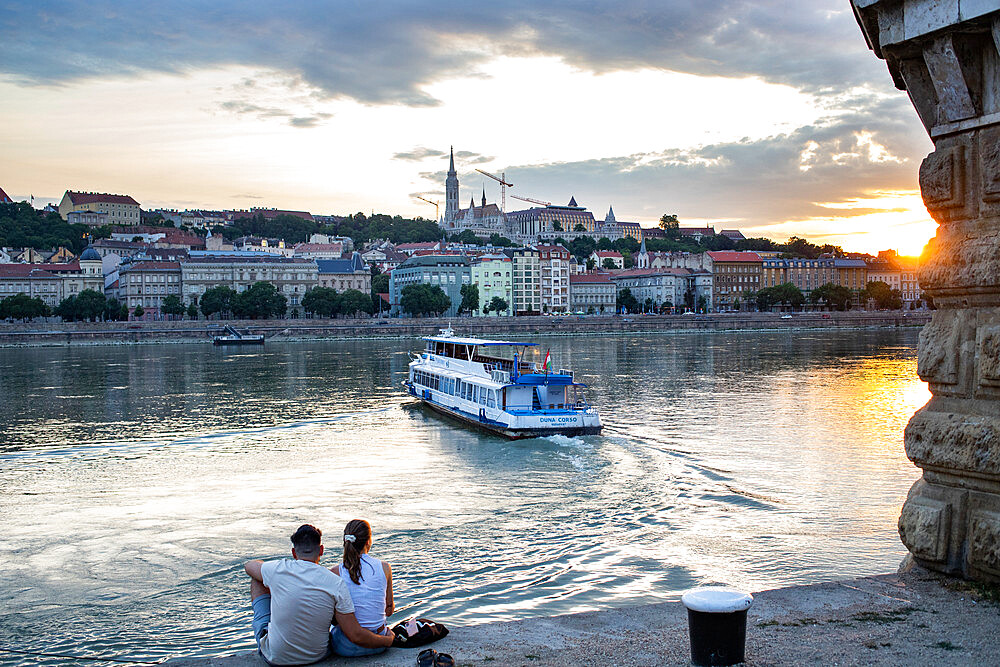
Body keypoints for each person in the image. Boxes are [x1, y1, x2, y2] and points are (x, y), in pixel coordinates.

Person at [245, 524, 394, 666]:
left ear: (293, 552)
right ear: (321, 550)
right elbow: (355, 633)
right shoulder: (335, 581)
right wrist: (387, 640)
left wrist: (274, 583)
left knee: (258, 580)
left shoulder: (278, 569)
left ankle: (276, 634)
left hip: (276, 658)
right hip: (317, 655)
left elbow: (249, 566)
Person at [329, 519, 395, 657]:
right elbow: (388, 610)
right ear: (368, 541)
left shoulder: (335, 573)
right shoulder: (384, 567)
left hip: (347, 646)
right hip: (379, 643)